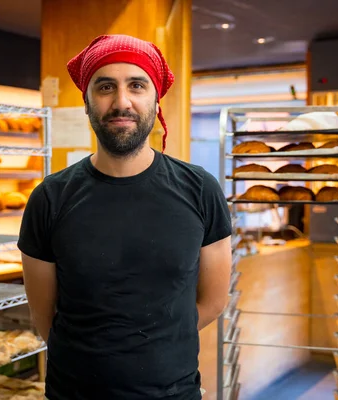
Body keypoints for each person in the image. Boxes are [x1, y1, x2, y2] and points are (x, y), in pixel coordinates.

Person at [18, 34, 233, 400]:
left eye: (136, 85)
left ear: (155, 97)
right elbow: (45, 316)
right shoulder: (50, 198)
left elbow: (213, 301)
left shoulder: (200, 189)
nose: (121, 102)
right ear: (87, 103)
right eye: (105, 87)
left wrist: (156, 345)